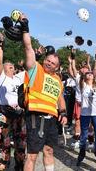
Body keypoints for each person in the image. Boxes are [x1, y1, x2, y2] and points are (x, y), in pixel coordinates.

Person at [20, 13, 67, 171]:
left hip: (52, 119)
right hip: (35, 116)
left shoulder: (58, 80)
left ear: (57, 67)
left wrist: (64, 112)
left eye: (53, 63)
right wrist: (25, 27)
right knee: (32, 155)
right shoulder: (36, 69)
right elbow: (28, 48)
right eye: (47, 60)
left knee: (49, 150)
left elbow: (60, 98)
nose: (49, 63)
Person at [0, 33, 26, 171]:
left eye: (13, 66)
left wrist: (37, 55)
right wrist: (1, 44)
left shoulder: (18, 79)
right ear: (5, 68)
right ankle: (3, 165)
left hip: (19, 114)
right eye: (10, 66)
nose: (12, 67)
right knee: (4, 142)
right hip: (5, 113)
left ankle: (19, 166)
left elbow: (30, 70)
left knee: (21, 142)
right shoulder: (2, 78)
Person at [76, 55, 96, 166]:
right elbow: (75, 72)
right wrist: (73, 59)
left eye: (91, 73)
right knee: (84, 135)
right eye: (88, 73)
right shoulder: (82, 85)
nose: (90, 74)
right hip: (85, 114)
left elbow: (95, 70)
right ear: (85, 76)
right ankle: (81, 155)